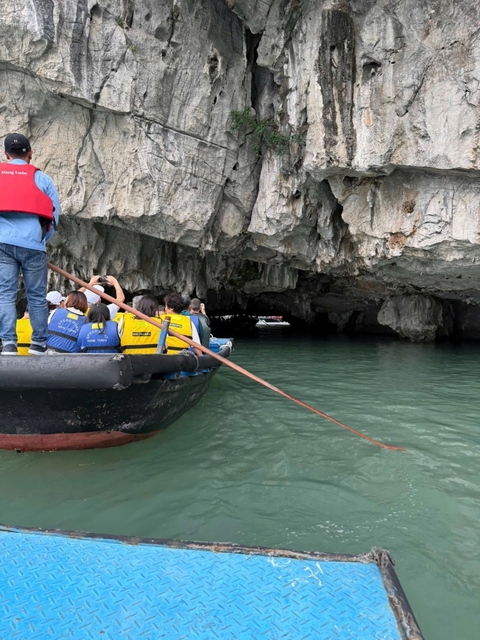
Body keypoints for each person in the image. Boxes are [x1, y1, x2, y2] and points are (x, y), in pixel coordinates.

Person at [0, 133, 60, 355]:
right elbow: (54, 216)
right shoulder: (42, 179)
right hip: (33, 246)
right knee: (36, 296)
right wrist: (41, 240)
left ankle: (8, 344)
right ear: (30, 153)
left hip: (2, 244)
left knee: (5, 294)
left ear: (6, 155)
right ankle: (38, 344)